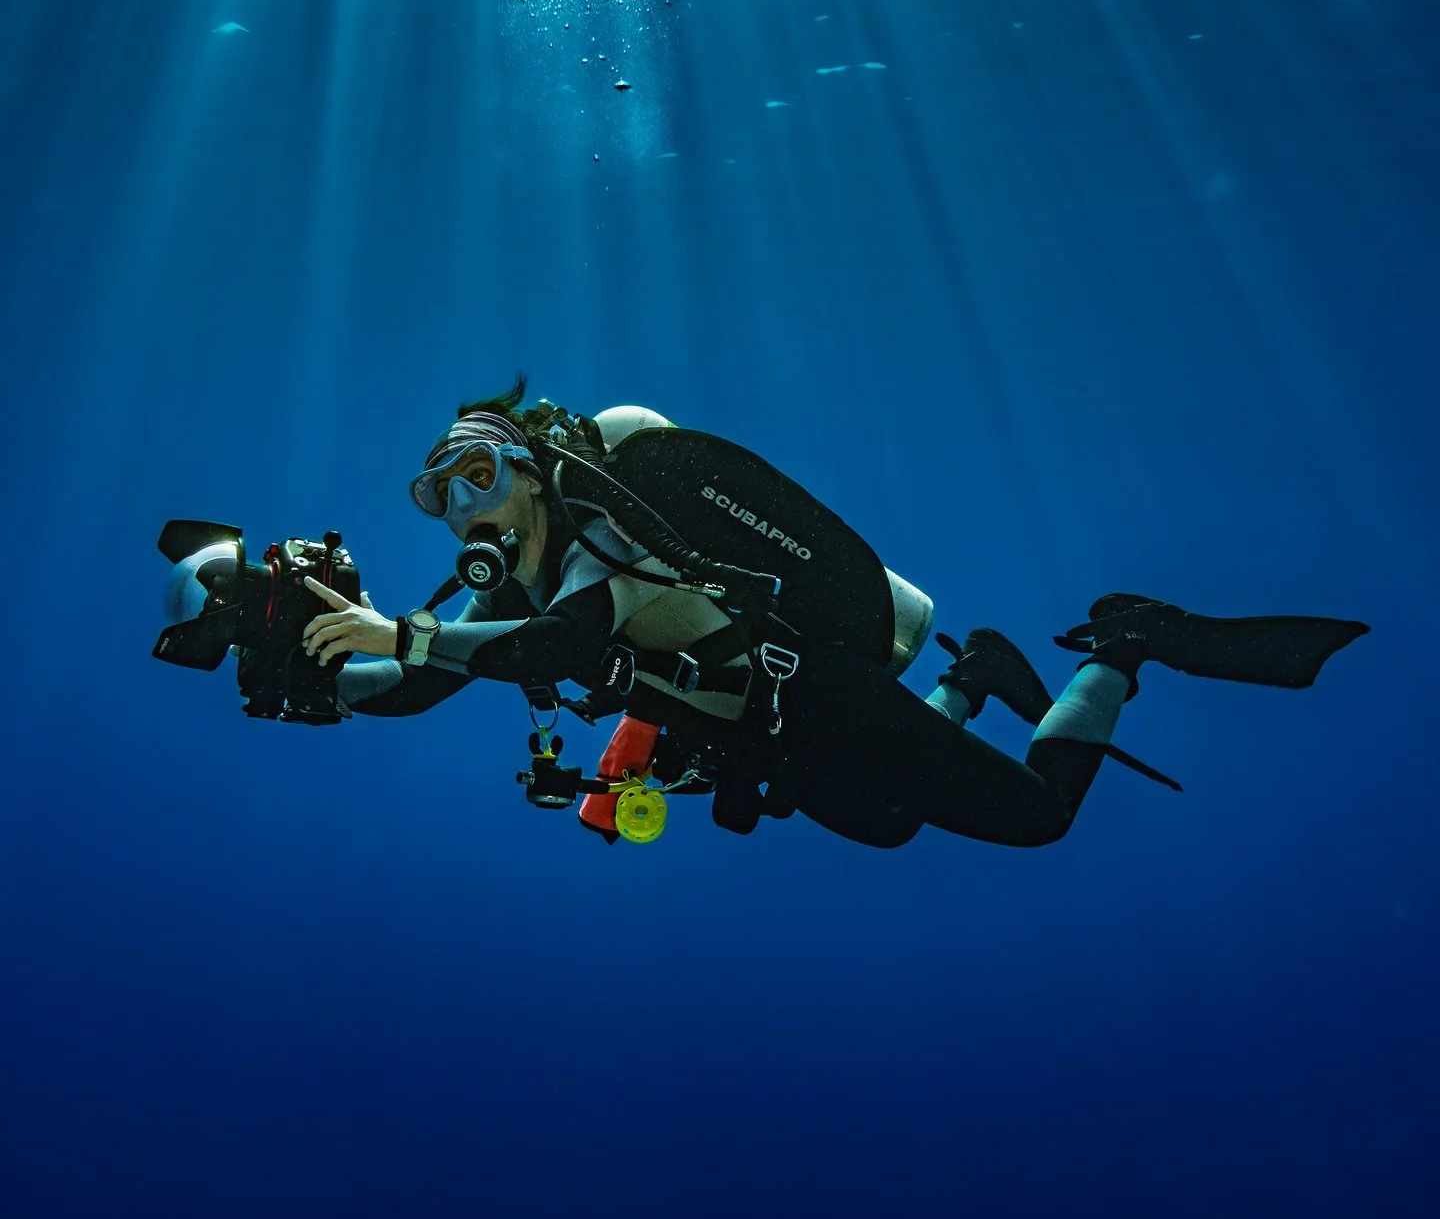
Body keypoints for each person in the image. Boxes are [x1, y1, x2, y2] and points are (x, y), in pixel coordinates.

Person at [303, 384, 1367, 850]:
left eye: (478, 475)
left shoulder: (604, 535)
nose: (463, 511)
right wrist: (313, 664)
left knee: (1039, 815)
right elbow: (412, 690)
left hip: (810, 683)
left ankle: (1130, 645)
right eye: (436, 495)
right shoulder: (509, 585)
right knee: (893, 823)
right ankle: (978, 673)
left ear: (535, 472)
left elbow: (560, 644)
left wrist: (404, 632)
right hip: (760, 724)